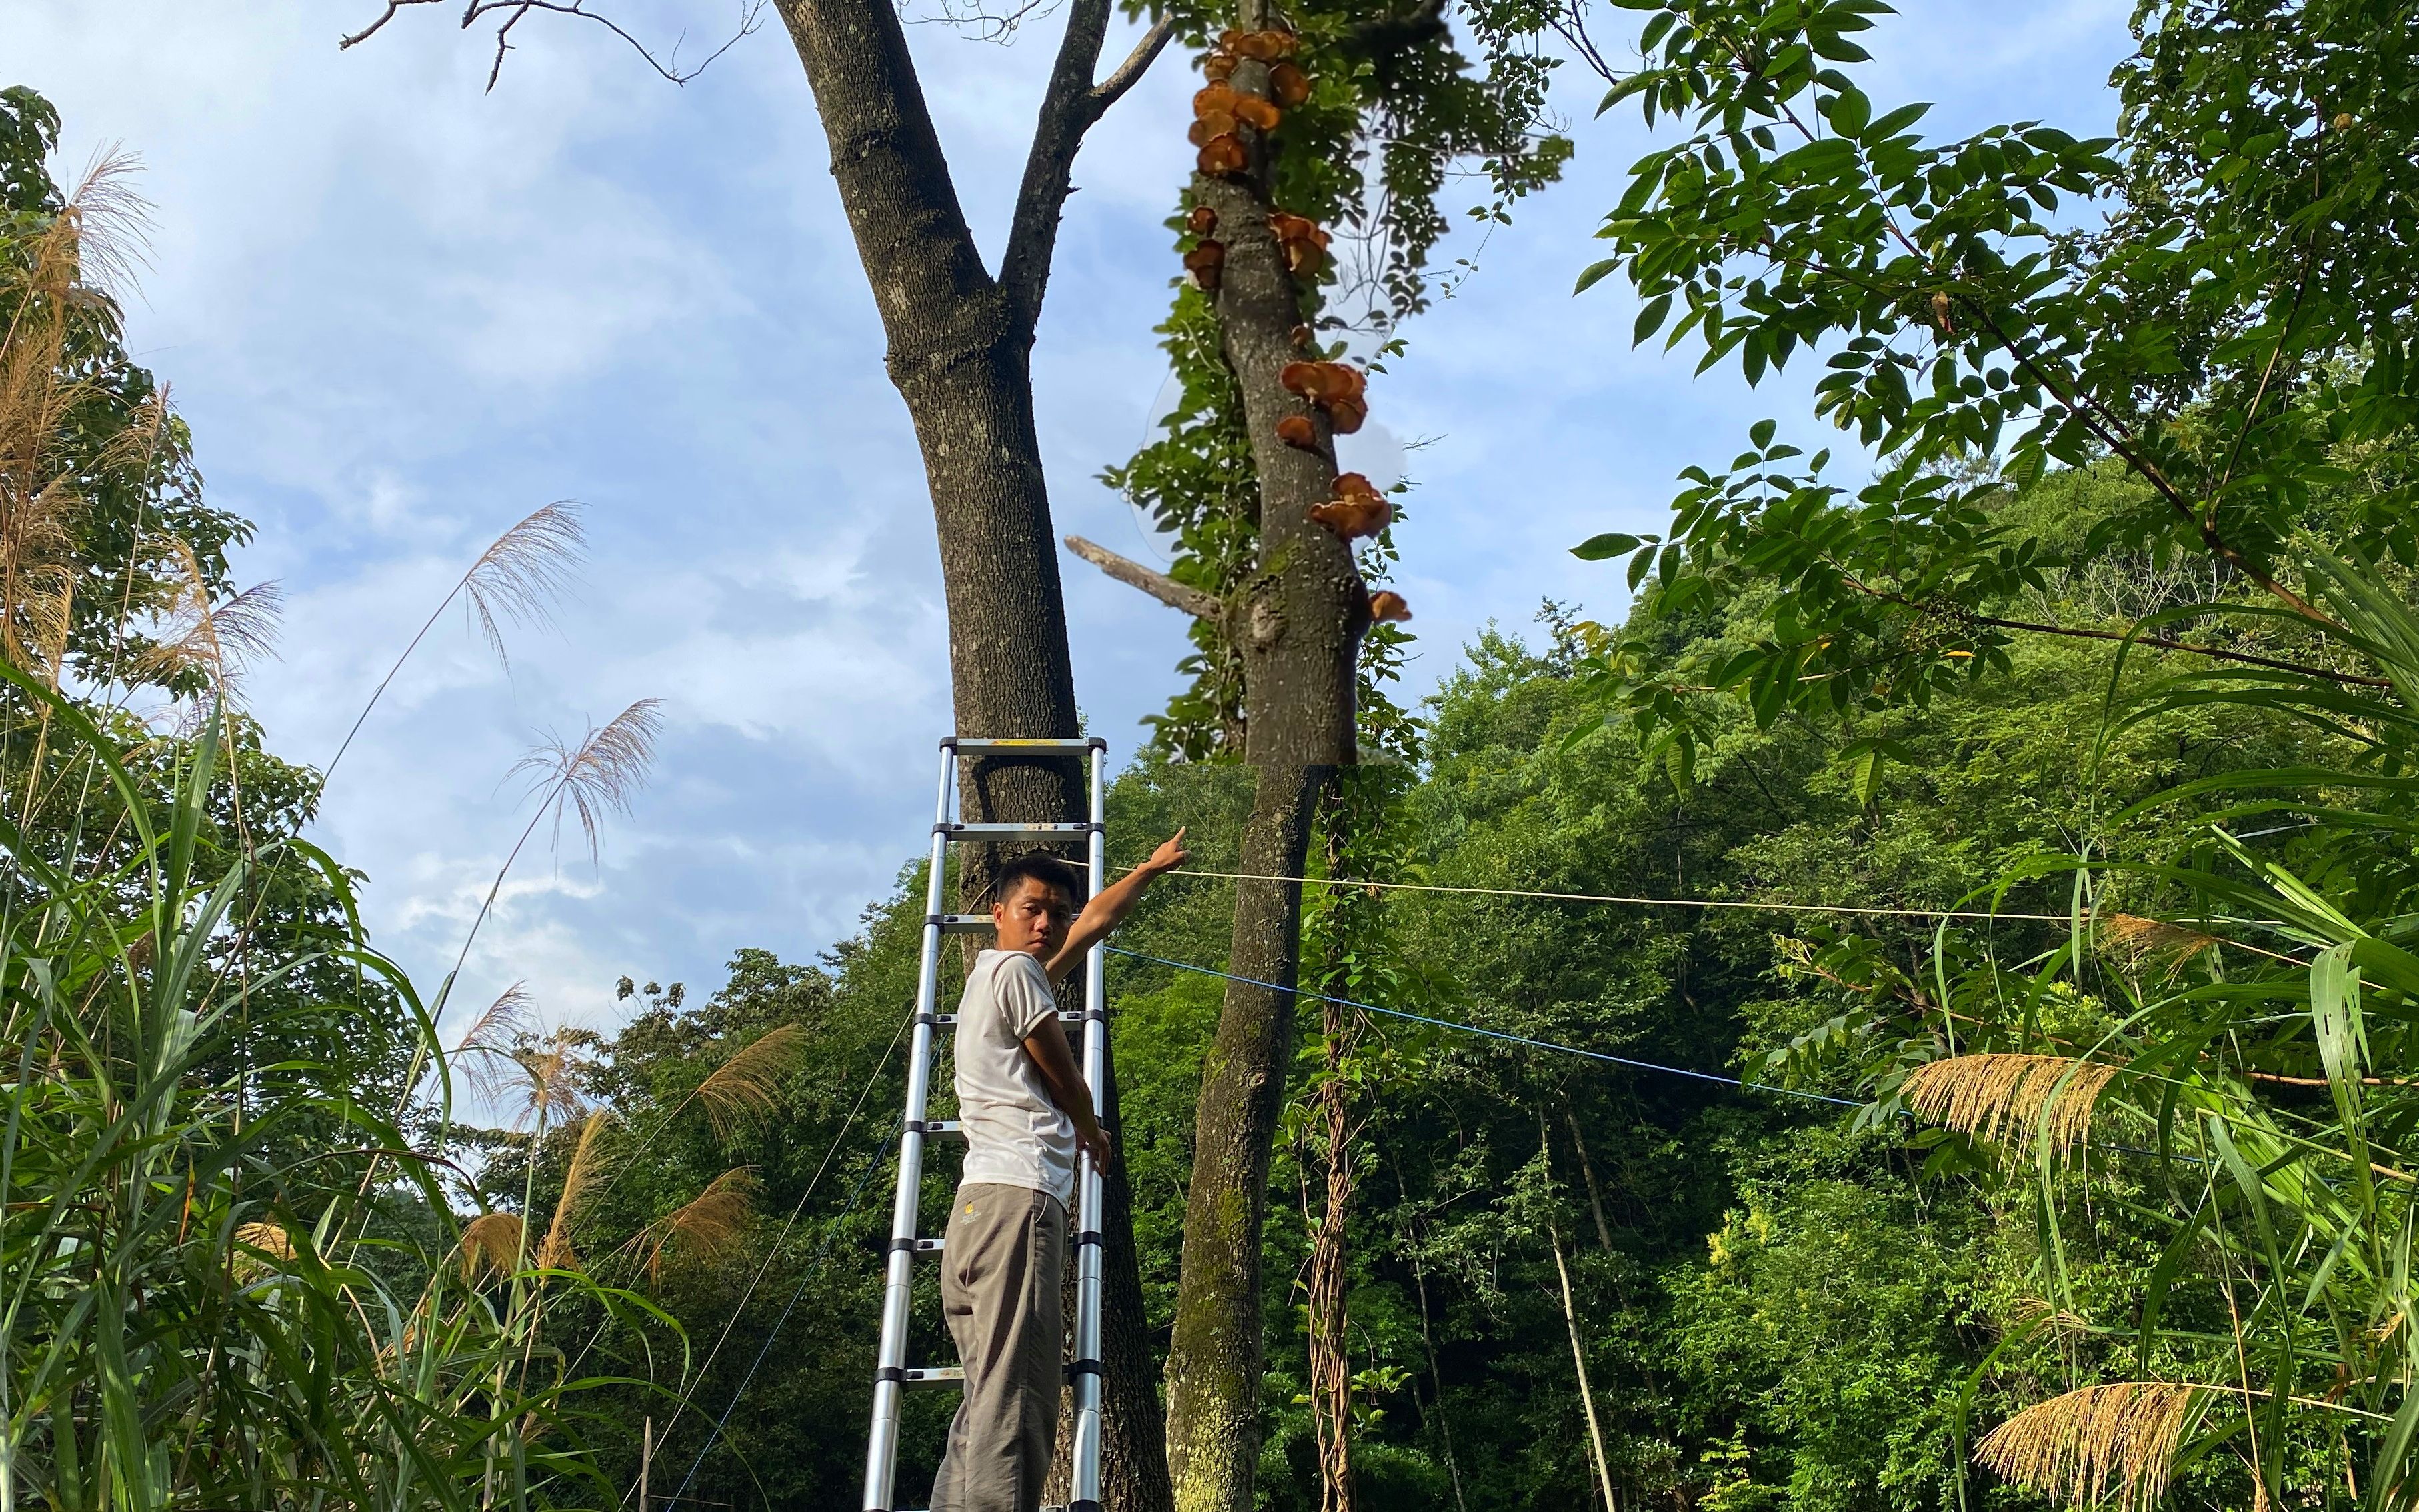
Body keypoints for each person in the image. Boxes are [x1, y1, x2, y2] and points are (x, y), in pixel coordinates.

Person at [929, 829, 1191, 1512]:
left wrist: (1150, 870)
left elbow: (1097, 920)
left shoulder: (1006, 979)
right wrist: (1089, 1127)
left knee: (988, 1399)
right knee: (1018, 1401)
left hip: (979, 1214)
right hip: (1017, 1201)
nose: (1046, 923)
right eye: (1032, 909)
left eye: (1057, 913)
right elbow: (1058, 1061)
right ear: (998, 911)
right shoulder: (1013, 973)